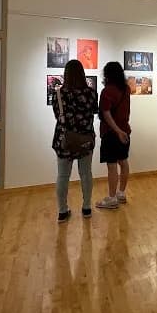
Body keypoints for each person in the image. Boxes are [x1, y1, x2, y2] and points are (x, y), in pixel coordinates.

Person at [51, 59, 98, 223]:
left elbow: (58, 115)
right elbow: (94, 111)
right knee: (86, 174)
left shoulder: (58, 93)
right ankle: (86, 208)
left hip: (65, 139)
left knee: (63, 175)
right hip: (85, 138)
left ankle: (62, 211)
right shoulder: (91, 93)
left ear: (66, 74)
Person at [96, 61, 132, 210]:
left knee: (112, 166)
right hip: (125, 131)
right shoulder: (126, 89)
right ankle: (121, 193)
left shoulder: (107, 91)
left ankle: (111, 198)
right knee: (123, 162)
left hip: (112, 134)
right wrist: (122, 131)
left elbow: (106, 113)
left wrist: (117, 131)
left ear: (107, 75)